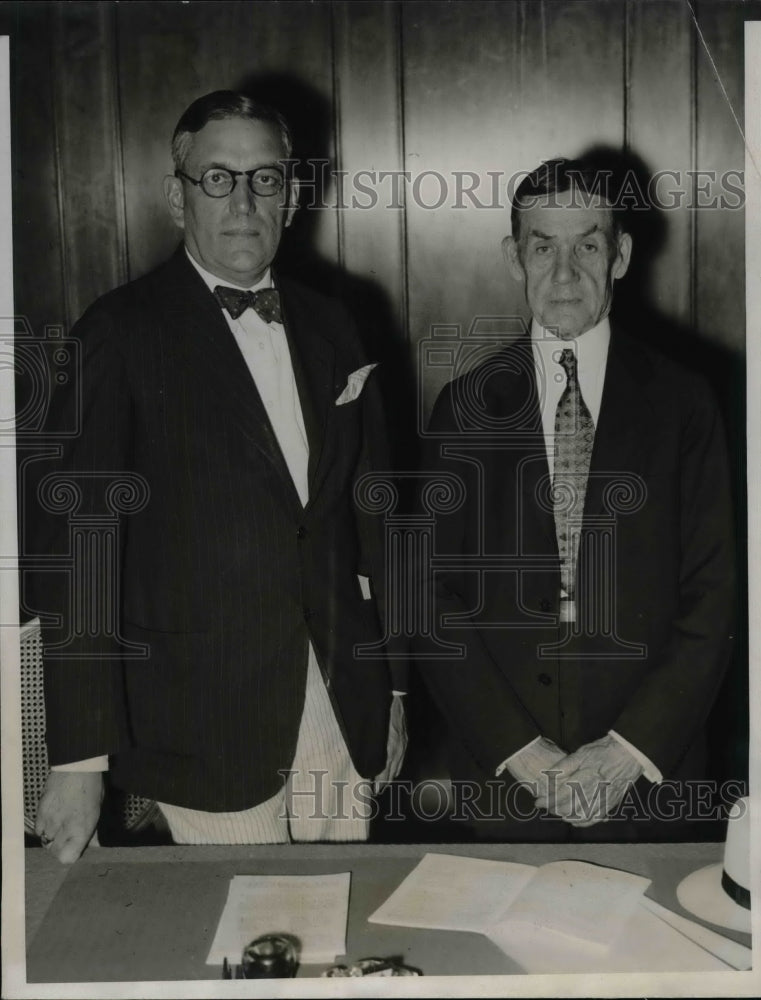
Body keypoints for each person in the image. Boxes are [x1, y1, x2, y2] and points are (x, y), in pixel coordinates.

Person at [31, 91, 405, 860]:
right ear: (177, 196)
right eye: (217, 178)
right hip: (200, 722)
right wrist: (78, 763)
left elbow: (375, 525)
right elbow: (80, 557)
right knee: (245, 943)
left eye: (265, 178)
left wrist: (393, 688)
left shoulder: (336, 322)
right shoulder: (118, 332)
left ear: (293, 196)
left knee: (338, 932)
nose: (243, 201)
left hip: (338, 705)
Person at [416, 157, 735, 840]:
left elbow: (716, 597)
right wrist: (520, 755)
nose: (563, 274)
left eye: (586, 245)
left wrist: (627, 753)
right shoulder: (464, 407)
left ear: (618, 255)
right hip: (501, 781)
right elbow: (433, 599)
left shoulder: (685, 402)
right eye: (542, 246)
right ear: (513, 256)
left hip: (651, 779)